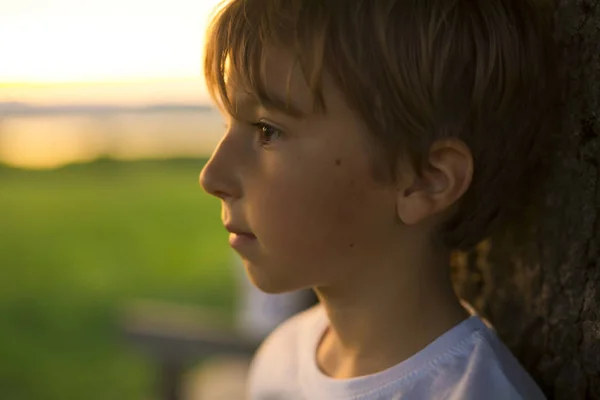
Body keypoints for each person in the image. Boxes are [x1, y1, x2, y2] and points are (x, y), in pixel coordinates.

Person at [199, 0, 557, 398]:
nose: (211, 176)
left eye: (267, 131)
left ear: (424, 180)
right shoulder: (281, 360)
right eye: (228, 122)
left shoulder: (476, 392)